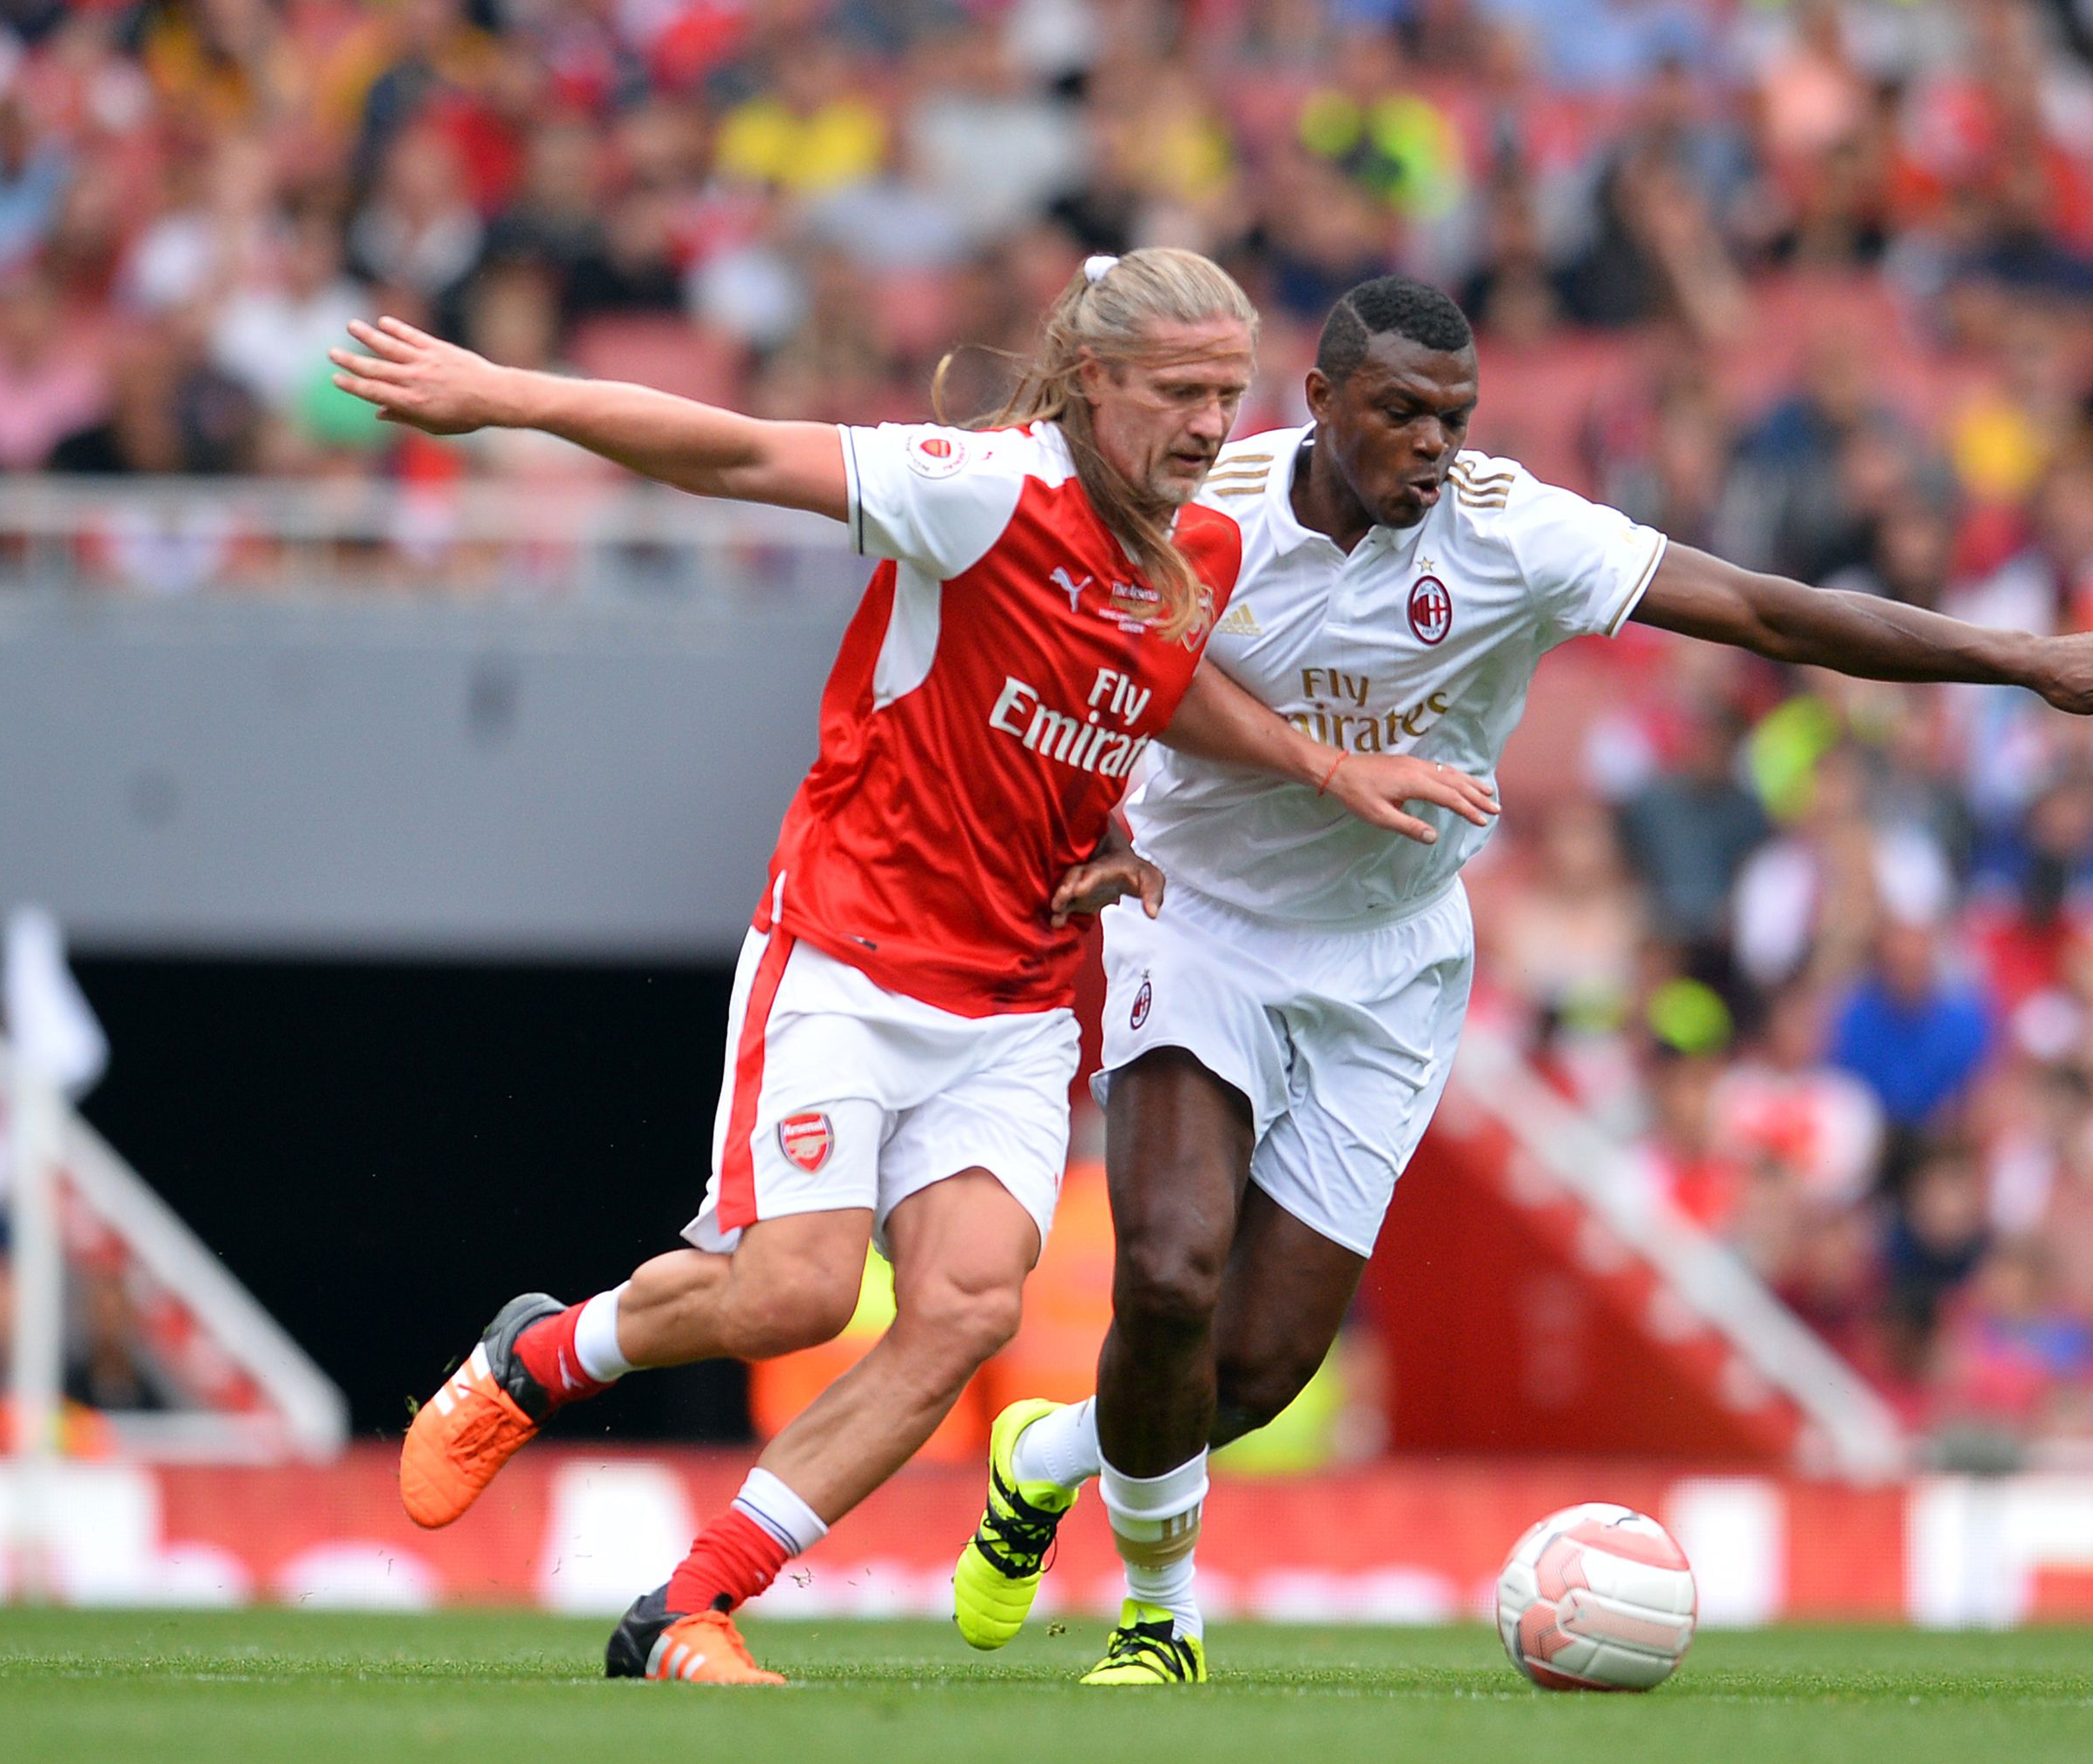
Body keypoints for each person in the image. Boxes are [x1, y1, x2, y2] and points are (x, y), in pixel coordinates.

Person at [952, 276, 2093, 1684]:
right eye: (1402, 414)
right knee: (1174, 1273)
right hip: (1198, 928)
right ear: (1319, 404)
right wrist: (1092, 820)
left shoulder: (1514, 532)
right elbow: (1083, 660)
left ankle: (1049, 1452)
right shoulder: (1209, 509)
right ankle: (1161, 1616)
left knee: (1250, 1372)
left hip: (1389, 963)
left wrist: (2018, 658)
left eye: (1456, 416)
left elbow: (1761, 610)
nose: (1435, 445)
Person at [328, 249, 1497, 1686]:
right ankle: (546, 1354)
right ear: (1089, 384)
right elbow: (745, 452)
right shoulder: (982, 487)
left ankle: (686, 1607)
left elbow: (1151, 684)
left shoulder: (1201, 553)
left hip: (1014, 993)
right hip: (850, 948)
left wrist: (1218, 792)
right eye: (1179, 392)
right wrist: (504, 396)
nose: (1210, 424)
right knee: (797, 1294)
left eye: (1228, 393)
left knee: (965, 1310)